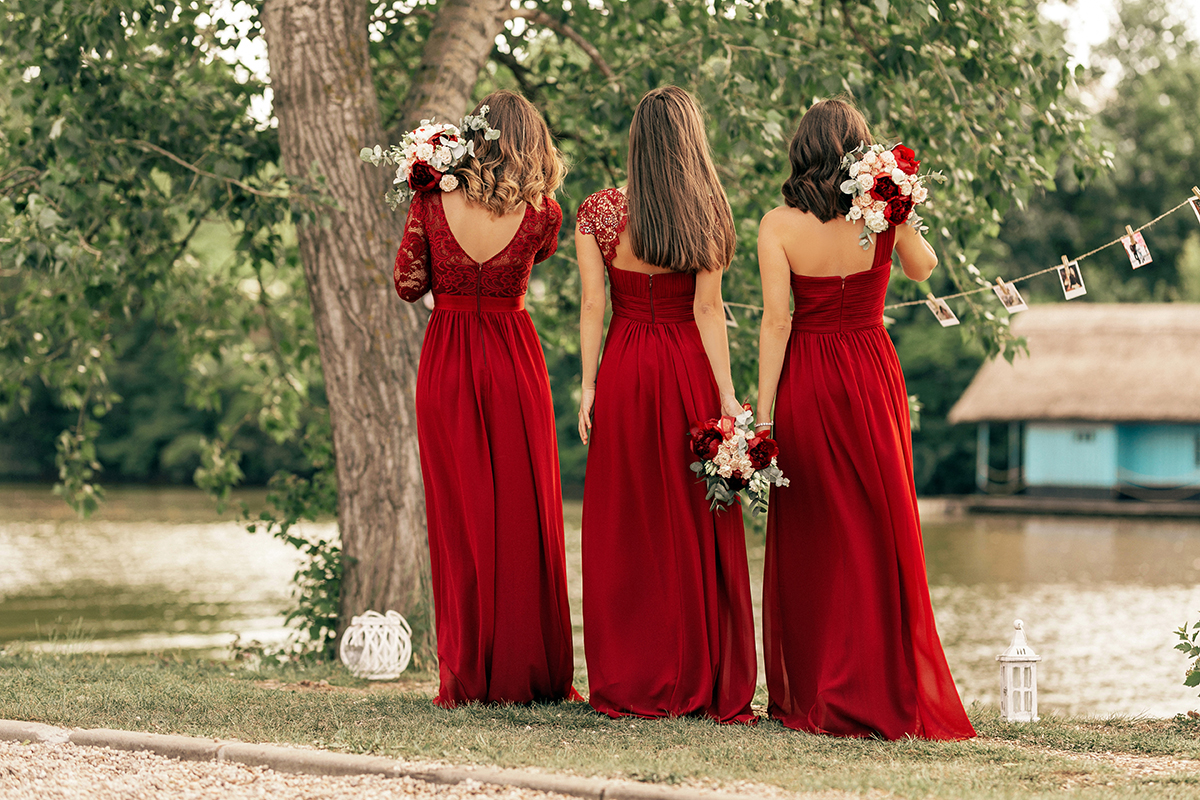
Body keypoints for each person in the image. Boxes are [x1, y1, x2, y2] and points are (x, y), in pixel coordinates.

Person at [755, 98, 975, 740]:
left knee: (819, 527)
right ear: (859, 152)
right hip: (871, 374)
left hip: (810, 376)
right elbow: (924, 267)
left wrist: (762, 416)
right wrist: (897, 207)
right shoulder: (880, 213)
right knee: (881, 524)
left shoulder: (777, 224)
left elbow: (776, 320)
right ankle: (882, 682)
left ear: (801, 150)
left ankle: (822, 685)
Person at [575, 86, 757, 723]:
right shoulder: (707, 210)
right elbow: (709, 312)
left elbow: (593, 306)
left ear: (636, 141)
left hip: (624, 364)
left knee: (628, 518)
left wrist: (588, 385)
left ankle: (631, 675)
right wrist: (729, 397)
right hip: (685, 367)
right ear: (690, 141)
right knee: (688, 518)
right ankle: (695, 672)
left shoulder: (600, 211)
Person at [393, 90, 577, 708]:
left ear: (471, 138)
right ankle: (528, 670)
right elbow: (539, 257)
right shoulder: (544, 213)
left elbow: (406, 284)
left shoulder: (430, 199)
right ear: (532, 144)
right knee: (523, 512)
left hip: (446, 356)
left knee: (459, 515)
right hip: (512, 356)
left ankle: (468, 672)